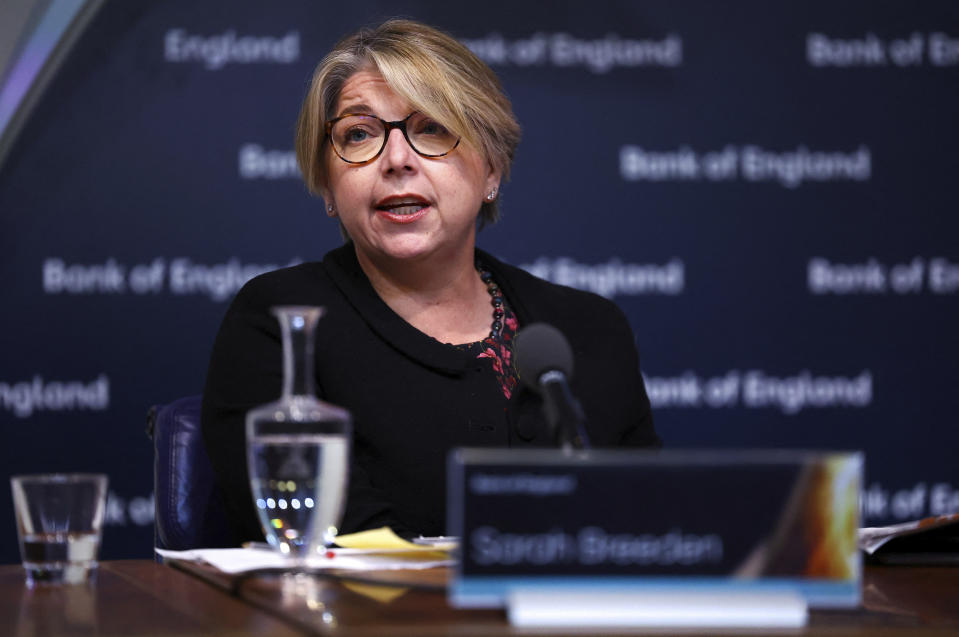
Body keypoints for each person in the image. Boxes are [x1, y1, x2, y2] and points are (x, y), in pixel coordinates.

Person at [201, 19, 660, 545]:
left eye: (432, 129)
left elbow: (647, 530)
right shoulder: (283, 325)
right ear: (327, 182)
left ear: (492, 170)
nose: (397, 160)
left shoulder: (588, 330)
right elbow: (333, 540)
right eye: (359, 134)